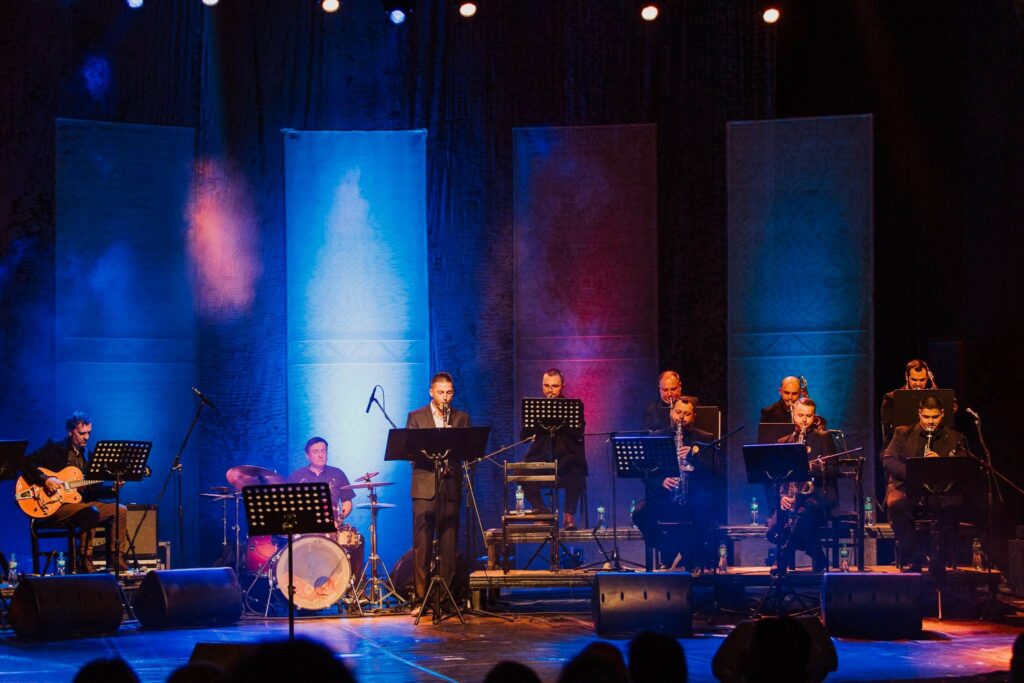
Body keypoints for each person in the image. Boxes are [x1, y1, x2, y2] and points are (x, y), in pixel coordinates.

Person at [22, 411, 129, 573]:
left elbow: (93, 491)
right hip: (55, 505)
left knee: (120, 510)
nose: (86, 437)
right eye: (82, 433)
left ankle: (116, 558)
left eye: (89, 433)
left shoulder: (89, 457)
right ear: (70, 431)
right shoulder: (54, 448)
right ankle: (84, 559)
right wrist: (46, 479)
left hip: (79, 504)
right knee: (91, 511)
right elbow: (26, 462)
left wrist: (112, 488)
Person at [882, 395, 970, 574]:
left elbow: (963, 466)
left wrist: (940, 463)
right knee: (899, 508)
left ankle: (939, 560)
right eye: (926, 417)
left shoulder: (955, 437)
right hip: (911, 489)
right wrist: (913, 471)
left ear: (942, 414)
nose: (930, 422)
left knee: (952, 509)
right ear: (919, 413)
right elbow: (888, 459)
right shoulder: (903, 433)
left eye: (935, 417)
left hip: (942, 491)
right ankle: (912, 558)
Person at [406, 372, 470, 608]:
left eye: (449, 392)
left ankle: (445, 599)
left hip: (450, 486)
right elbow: (410, 452)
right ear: (431, 392)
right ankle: (421, 599)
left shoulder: (461, 418)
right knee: (422, 545)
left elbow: (468, 452)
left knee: (449, 543)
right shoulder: (416, 417)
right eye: (441, 392)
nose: (445, 397)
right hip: (424, 487)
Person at [632, 397, 715, 571]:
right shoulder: (656, 437)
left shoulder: (705, 438)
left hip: (693, 495)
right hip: (664, 495)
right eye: (678, 412)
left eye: (686, 414)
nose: (681, 417)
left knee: (706, 509)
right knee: (639, 513)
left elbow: (713, 471)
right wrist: (660, 481)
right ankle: (666, 548)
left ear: (694, 416)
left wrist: (694, 457)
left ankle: (693, 557)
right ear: (671, 413)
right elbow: (643, 471)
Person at [765, 397, 836, 574]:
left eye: (809, 416)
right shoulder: (783, 442)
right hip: (792, 496)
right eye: (801, 415)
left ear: (814, 416)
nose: (804, 420)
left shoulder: (823, 438)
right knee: (772, 531)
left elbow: (833, 469)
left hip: (817, 495)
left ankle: (782, 558)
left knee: (802, 516)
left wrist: (810, 468)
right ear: (793, 415)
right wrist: (782, 497)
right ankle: (817, 554)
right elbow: (777, 477)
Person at [520, 369, 587, 530]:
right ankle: (543, 514)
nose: (550, 390)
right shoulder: (535, 408)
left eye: (554, 386)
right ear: (542, 386)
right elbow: (523, 436)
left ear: (562, 386)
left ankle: (568, 515)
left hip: (566, 457)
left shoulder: (572, 407)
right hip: (541, 456)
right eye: (547, 386)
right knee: (521, 473)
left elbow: (579, 432)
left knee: (577, 470)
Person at [288, 437, 355, 523]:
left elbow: (347, 501)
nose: (320, 455)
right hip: (304, 524)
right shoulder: (296, 476)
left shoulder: (337, 473)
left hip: (332, 523)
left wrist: (339, 519)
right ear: (307, 456)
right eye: (315, 452)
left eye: (323, 451)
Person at [880, 359, 934, 445]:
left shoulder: (932, 398)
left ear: (927, 378)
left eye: (922, 380)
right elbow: (888, 432)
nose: (918, 384)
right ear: (906, 377)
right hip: (900, 445)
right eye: (914, 380)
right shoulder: (892, 398)